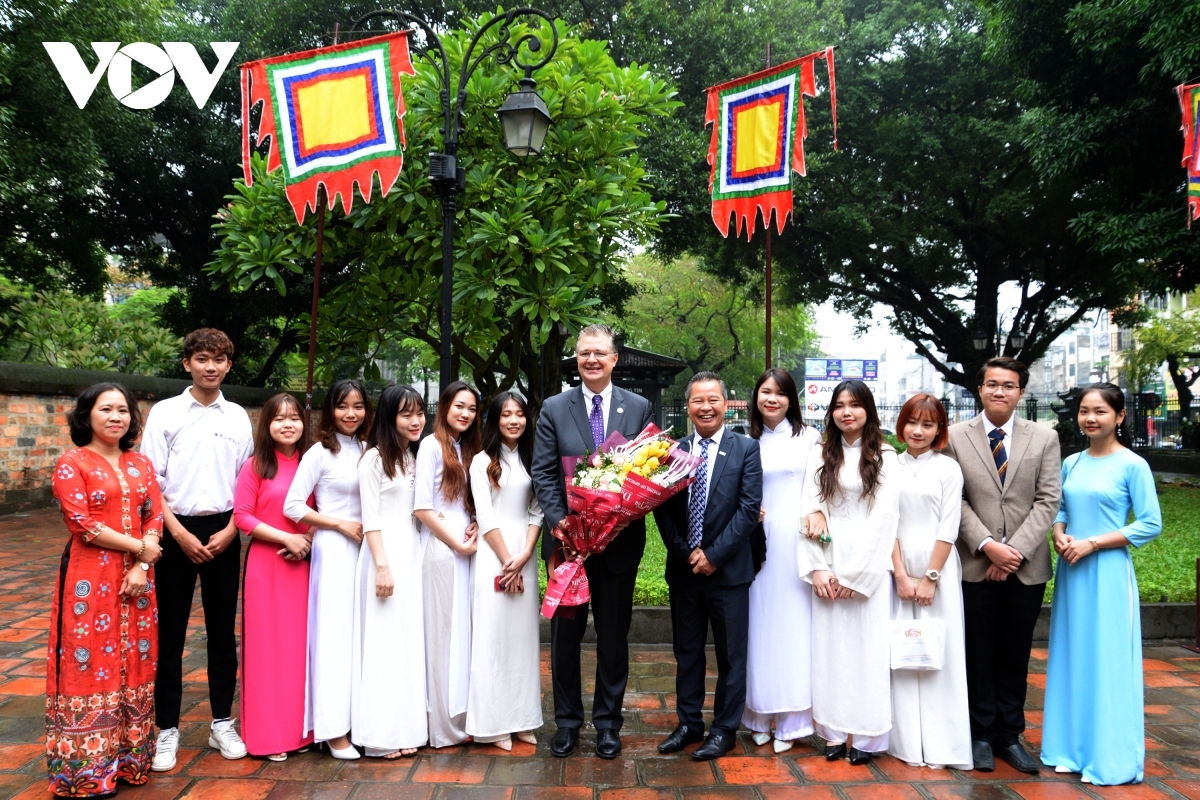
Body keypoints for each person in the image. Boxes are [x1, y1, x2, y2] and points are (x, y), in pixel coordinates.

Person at [531, 324, 654, 759]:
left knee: (613, 636)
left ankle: (607, 724)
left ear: (614, 358)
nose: (592, 360)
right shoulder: (553, 408)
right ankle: (566, 723)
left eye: (600, 353)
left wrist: (621, 514)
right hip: (567, 545)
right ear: (576, 359)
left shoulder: (637, 407)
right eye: (584, 353)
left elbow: (646, 473)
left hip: (618, 542)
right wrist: (560, 520)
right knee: (565, 636)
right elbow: (543, 471)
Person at [140, 329, 253, 771]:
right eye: (202, 358)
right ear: (187, 362)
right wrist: (178, 534)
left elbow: (247, 482)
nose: (211, 367)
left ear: (228, 365)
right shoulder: (166, 413)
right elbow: (151, 483)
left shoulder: (239, 416)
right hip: (174, 530)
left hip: (225, 529)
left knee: (224, 634)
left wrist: (231, 531)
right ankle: (166, 728)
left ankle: (221, 722)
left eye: (219, 360)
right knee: (169, 634)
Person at [942, 356, 1061, 774]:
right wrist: (989, 545)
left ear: (1021, 393)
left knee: (1014, 653)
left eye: (1008, 385)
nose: (999, 391)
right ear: (980, 389)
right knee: (977, 651)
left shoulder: (1045, 437)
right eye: (992, 384)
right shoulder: (955, 436)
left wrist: (1013, 554)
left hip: (1026, 568)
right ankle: (979, 734)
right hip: (976, 563)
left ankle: (1010, 736)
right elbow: (954, 499)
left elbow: (1049, 500)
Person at [1041, 383, 1161, 785]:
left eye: (1100, 412)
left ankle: (1110, 758)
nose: (1090, 418)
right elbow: (1059, 506)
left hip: (1107, 571)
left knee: (1107, 661)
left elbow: (1149, 523)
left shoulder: (1133, 464)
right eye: (1084, 411)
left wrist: (1093, 542)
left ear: (1120, 417)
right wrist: (1059, 534)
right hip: (1072, 572)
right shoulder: (1072, 462)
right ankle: (1069, 750)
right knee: (1073, 657)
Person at [47, 383, 163, 796]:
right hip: (89, 579)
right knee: (89, 659)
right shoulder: (72, 462)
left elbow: (155, 515)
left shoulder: (142, 464)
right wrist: (140, 550)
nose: (116, 417)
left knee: (136, 657)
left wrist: (142, 566)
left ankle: (130, 762)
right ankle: (89, 771)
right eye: (106, 410)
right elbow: (83, 524)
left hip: (139, 581)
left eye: (123, 410)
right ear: (87, 416)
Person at [654, 371, 763, 761]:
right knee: (687, 651)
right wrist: (687, 553)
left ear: (724, 402)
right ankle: (688, 724)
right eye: (698, 400)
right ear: (688, 407)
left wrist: (713, 555)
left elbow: (749, 509)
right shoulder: (671, 450)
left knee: (731, 656)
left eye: (712, 399)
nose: (705, 406)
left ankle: (723, 730)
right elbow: (661, 509)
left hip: (729, 571)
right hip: (684, 571)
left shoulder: (746, 449)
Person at [798, 380, 899, 766]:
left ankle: (869, 735)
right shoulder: (821, 453)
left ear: (868, 411)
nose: (846, 412)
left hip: (866, 565)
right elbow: (809, 509)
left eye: (854, 405)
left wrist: (856, 576)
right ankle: (834, 731)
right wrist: (819, 568)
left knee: (866, 651)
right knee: (829, 651)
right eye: (839, 405)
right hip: (828, 558)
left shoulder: (886, 455)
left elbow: (885, 519)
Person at [284, 379, 371, 759]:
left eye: (357, 406)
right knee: (335, 639)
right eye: (342, 406)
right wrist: (337, 524)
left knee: (363, 637)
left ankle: (360, 721)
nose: (350, 414)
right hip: (334, 549)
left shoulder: (371, 449)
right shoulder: (319, 452)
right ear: (329, 411)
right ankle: (333, 731)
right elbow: (292, 506)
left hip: (368, 550)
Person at [888, 394, 972, 770]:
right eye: (912, 422)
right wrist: (902, 575)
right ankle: (902, 742)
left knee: (940, 656)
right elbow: (884, 523)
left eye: (928, 424)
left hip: (938, 570)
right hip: (896, 569)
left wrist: (930, 579)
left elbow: (949, 525)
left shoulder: (948, 469)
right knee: (900, 656)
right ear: (901, 424)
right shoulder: (888, 465)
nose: (918, 431)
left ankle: (943, 745)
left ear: (940, 429)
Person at [742, 368, 822, 753]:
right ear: (756, 397)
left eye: (780, 393)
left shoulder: (810, 439)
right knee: (759, 626)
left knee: (793, 628)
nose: (772, 399)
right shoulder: (747, 441)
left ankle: (792, 722)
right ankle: (757, 714)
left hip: (796, 542)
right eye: (765, 392)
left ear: (792, 399)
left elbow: (821, 490)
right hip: (756, 542)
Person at [234, 392, 313, 761]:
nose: (287, 424)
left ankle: (306, 731)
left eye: (294, 417)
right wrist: (287, 537)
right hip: (268, 565)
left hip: (307, 566)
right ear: (266, 424)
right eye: (279, 418)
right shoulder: (256, 466)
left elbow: (327, 510)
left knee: (302, 649)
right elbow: (243, 517)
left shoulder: (313, 462)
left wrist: (308, 540)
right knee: (267, 651)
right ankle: (270, 736)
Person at [352, 386, 429, 758]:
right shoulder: (374, 459)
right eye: (406, 414)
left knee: (406, 644)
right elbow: (370, 519)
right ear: (389, 417)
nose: (415, 421)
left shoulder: (410, 456)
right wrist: (382, 566)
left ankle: (404, 727)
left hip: (411, 551)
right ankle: (380, 736)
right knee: (382, 644)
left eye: (419, 413)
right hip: (384, 554)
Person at [466, 391, 545, 750]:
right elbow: (484, 515)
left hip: (523, 555)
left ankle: (523, 718)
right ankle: (492, 723)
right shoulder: (482, 461)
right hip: (493, 554)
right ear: (495, 420)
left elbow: (538, 510)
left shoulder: (533, 459)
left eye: (520, 414)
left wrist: (526, 553)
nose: (513, 420)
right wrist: (506, 561)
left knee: (523, 639)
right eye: (506, 415)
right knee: (493, 638)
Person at [415, 381, 481, 748]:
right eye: (459, 406)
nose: (465, 414)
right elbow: (422, 507)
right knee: (442, 637)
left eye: (472, 409)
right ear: (444, 407)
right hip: (442, 550)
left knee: (461, 636)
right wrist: (456, 542)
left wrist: (472, 523)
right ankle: (442, 726)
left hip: (465, 547)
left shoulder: (465, 447)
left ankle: (461, 717)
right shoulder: (430, 445)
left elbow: (463, 502)